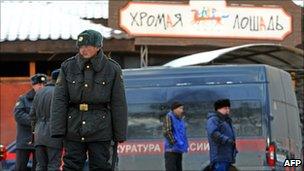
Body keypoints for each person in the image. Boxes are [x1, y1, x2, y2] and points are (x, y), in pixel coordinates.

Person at [50, 29, 128, 171]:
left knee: (101, 166)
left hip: (101, 128)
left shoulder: (112, 68)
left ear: (98, 47)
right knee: (71, 166)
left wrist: (120, 133)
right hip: (74, 127)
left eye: (87, 46)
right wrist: (57, 129)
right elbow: (59, 100)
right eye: (81, 46)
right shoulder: (68, 67)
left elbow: (118, 103)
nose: (83, 50)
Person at [30, 69, 63, 171]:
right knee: (53, 165)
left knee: (40, 165)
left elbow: (32, 115)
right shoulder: (59, 92)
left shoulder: (39, 93)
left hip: (39, 135)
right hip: (54, 134)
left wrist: (35, 131)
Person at [13, 73, 47, 171]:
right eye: (38, 84)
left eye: (43, 84)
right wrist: (36, 121)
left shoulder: (48, 98)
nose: (41, 86)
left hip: (40, 141)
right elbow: (18, 115)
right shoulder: (23, 99)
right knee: (20, 167)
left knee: (38, 168)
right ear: (33, 85)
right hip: (24, 141)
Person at [206, 99, 238, 171]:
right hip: (219, 156)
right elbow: (213, 134)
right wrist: (227, 140)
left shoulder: (226, 120)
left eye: (228, 108)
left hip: (227, 156)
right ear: (218, 109)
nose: (228, 110)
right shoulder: (213, 120)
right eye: (225, 108)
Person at [162, 102, 189, 171]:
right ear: (174, 109)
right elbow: (167, 131)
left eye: (182, 108)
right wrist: (174, 143)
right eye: (180, 108)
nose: (182, 110)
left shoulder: (180, 119)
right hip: (171, 150)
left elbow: (182, 133)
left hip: (179, 149)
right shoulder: (169, 117)